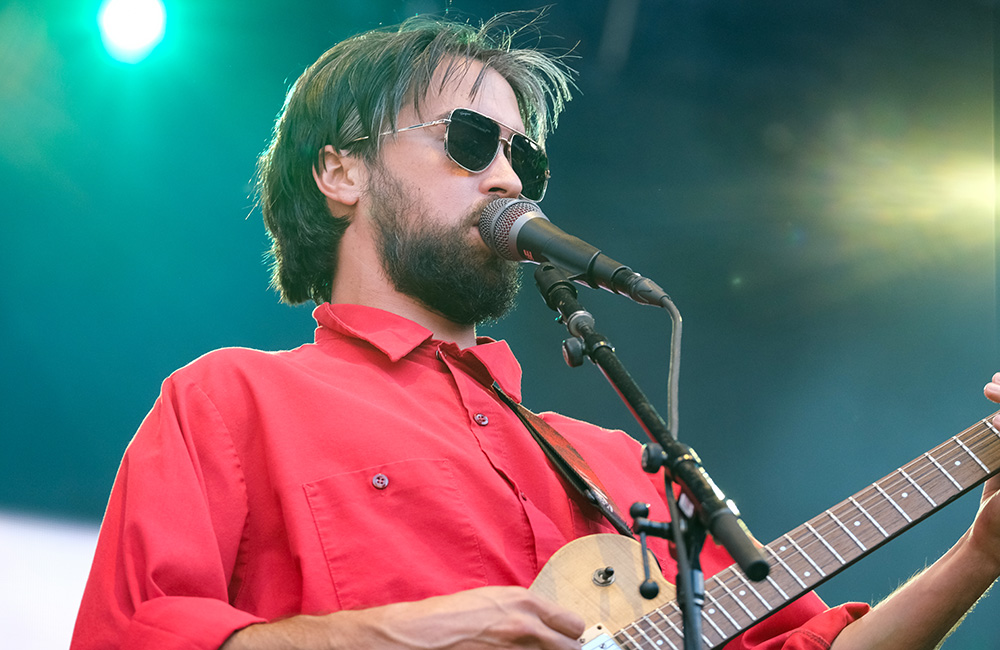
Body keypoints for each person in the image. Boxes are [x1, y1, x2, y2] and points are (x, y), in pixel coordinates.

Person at [71, 13, 1000, 650]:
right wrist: (400, 632)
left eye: (525, 157)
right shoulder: (231, 400)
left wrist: (981, 555)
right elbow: (130, 634)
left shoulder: (619, 463)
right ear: (341, 172)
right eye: (471, 140)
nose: (510, 179)